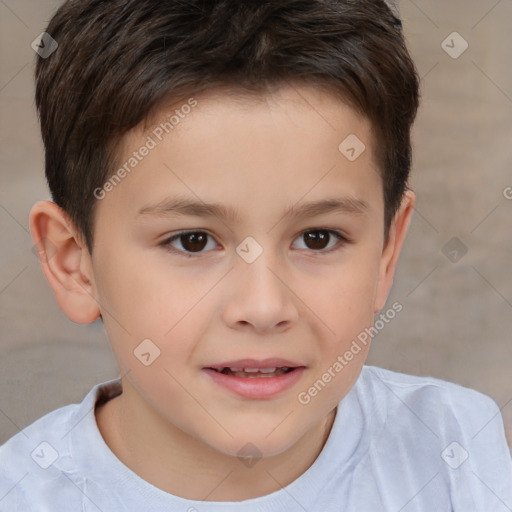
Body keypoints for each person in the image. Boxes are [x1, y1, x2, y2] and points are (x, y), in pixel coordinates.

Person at [1, 0, 511, 510]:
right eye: (192, 241)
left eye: (318, 238)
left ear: (386, 251)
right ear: (74, 263)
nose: (264, 307)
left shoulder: (456, 452)